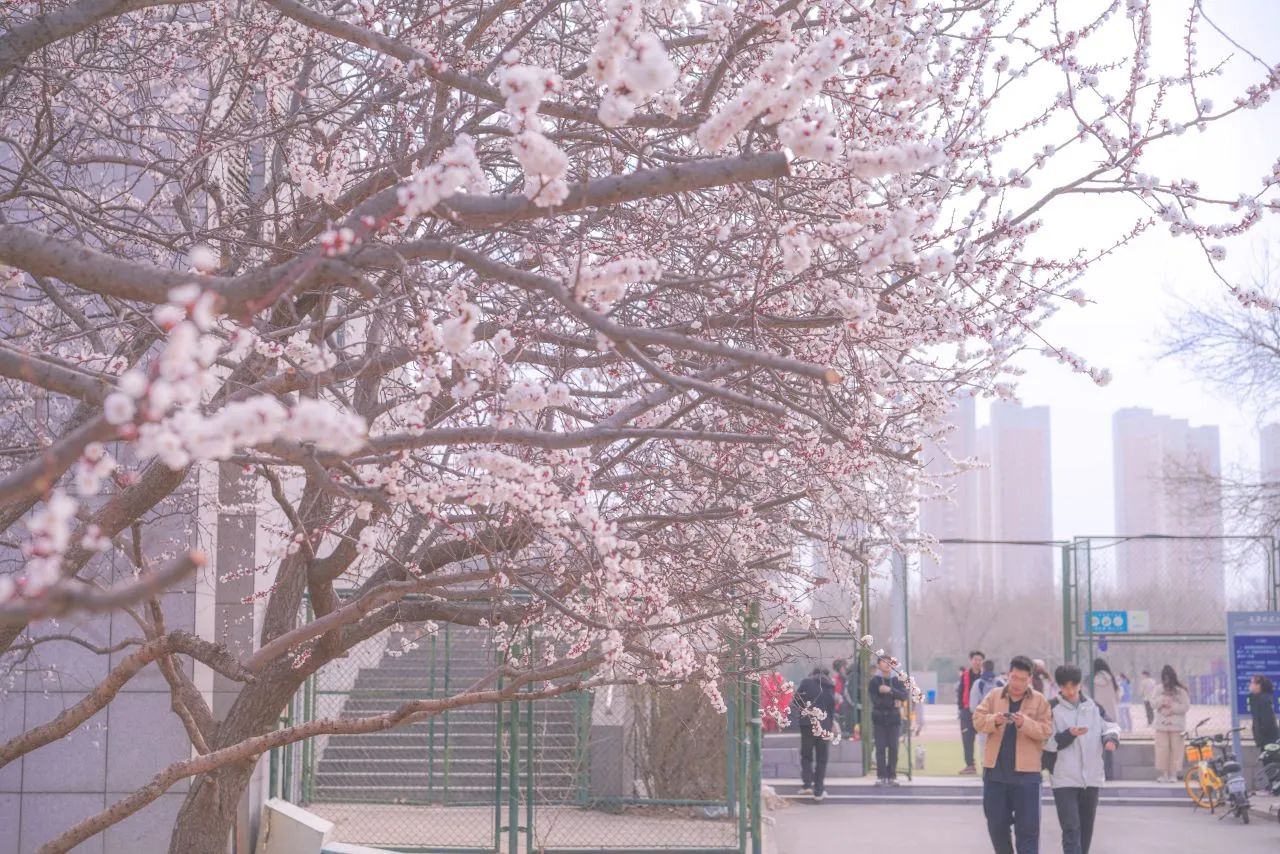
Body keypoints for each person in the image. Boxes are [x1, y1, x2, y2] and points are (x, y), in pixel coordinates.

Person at [974, 655, 1053, 854]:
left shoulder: (1039, 700)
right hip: (995, 774)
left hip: (1027, 776)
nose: (1017, 683)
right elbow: (977, 720)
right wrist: (995, 720)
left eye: (1022, 679)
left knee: (1028, 830)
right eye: (1014, 678)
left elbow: (1046, 731)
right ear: (1008, 675)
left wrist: (1024, 723)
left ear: (1030, 679)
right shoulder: (994, 695)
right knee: (996, 826)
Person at [1044, 664, 1119, 854]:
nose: (1070, 691)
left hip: (1091, 778)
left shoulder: (1093, 707)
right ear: (1059, 686)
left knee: (1086, 831)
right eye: (1065, 687)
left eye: (1074, 686)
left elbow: (1111, 726)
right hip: (1064, 779)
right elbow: (1047, 743)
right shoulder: (1051, 708)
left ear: (1080, 685)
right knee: (1071, 829)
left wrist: (1110, 739)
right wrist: (1069, 734)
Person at [794, 667, 837, 800]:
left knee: (806, 755)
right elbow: (832, 707)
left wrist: (805, 711)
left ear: (813, 673)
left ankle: (807, 784)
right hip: (825, 725)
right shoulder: (830, 685)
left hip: (808, 724)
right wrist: (831, 723)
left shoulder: (806, 682)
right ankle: (819, 790)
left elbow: (796, 700)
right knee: (821, 758)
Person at [869, 655, 909, 785]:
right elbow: (875, 700)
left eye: (889, 662)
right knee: (880, 748)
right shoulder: (874, 681)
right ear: (879, 665)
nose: (887, 664)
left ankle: (892, 775)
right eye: (884, 662)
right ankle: (881, 776)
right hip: (879, 719)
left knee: (893, 748)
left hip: (894, 719)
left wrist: (890, 690)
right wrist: (892, 701)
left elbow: (903, 696)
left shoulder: (897, 680)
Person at [1149, 664, 1191, 783]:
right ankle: (1164, 773)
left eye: (1169, 677)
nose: (1167, 680)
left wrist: (1172, 707)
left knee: (1176, 749)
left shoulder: (1180, 691)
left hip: (1176, 725)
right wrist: (1162, 700)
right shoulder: (1158, 689)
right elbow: (1152, 704)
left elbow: (1186, 706)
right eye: (1165, 677)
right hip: (1161, 725)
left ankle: (1173, 773)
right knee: (1161, 749)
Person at [1091, 658, 1120, 780]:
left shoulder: (1090, 680)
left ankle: (1097, 773)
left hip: (1096, 713)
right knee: (1109, 743)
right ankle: (1108, 774)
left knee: (1095, 745)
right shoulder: (1111, 679)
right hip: (1110, 715)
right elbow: (1118, 697)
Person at [971, 660, 1005, 760]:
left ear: (983, 668)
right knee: (1000, 749)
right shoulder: (1000, 682)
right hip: (1000, 720)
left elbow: (973, 706)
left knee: (984, 749)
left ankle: (986, 767)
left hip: (984, 721)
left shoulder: (978, 683)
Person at [958, 650, 986, 775]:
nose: (977, 662)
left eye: (980, 660)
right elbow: (960, 692)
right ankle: (970, 765)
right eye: (975, 659)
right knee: (967, 740)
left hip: (983, 713)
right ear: (971, 661)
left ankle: (987, 765)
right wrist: (961, 709)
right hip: (967, 712)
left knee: (985, 740)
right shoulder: (965, 675)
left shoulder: (986, 676)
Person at [1249, 674, 1279, 750]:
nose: (1250, 685)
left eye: (1252, 683)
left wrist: (1261, 737)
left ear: (1259, 685)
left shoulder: (1262, 700)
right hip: (1266, 738)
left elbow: (1266, 720)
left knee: (1270, 756)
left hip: (1268, 739)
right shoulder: (1258, 698)